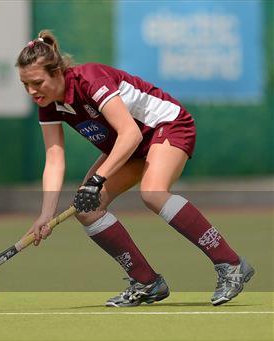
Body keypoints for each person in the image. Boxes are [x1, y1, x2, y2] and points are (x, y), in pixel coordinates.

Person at [17, 30, 254, 307]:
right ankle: (147, 282)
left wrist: (96, 179)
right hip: (128, 146)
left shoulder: (90, 79)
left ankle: (231, 263)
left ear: (57, 72)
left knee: (153, 192)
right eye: (25, 85)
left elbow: (130, 133)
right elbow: (54, 158)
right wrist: (45, 215)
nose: (32, 91)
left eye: (37, 82)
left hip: (164, 126)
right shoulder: (48, 104)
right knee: (87, 210)